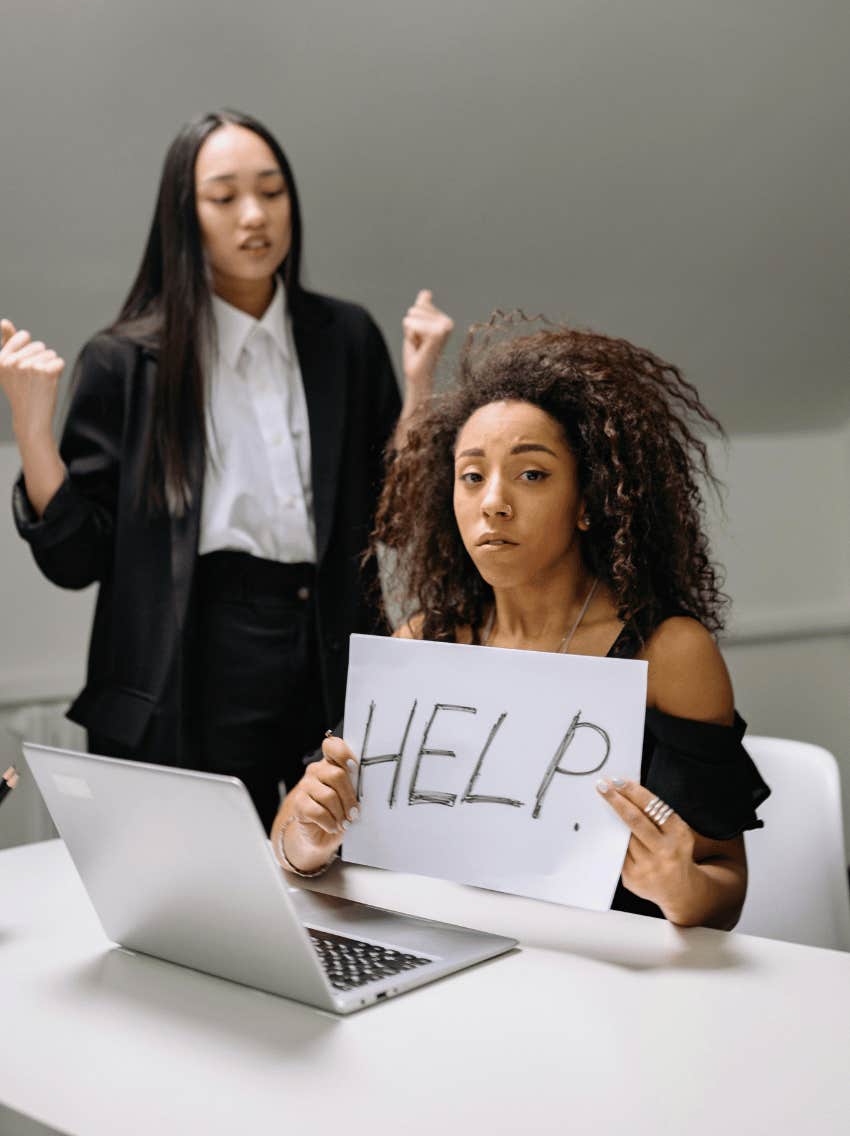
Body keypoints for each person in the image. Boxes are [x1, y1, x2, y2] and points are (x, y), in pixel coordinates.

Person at [0, 108, 452, 832]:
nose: (255, 215)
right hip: (190, 661)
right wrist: (30, 426)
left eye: (272, 192)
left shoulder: (345, 338)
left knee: (346, 885)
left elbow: (393, 524)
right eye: (225, 196)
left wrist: (420, 385)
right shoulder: (125, 361)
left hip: (326, 645)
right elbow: (77, 558)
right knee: (200, 901)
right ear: (185, 213)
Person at [272, 317, 770, 928]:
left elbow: (725, 888)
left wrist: (678, 885)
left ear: (589, 501)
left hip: (606, 979)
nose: (494, 501)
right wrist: (308, 842)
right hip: (438, 956)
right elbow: (291, 839)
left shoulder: (668, 653)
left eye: (531, 474)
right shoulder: (423, 640)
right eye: (471, 476)